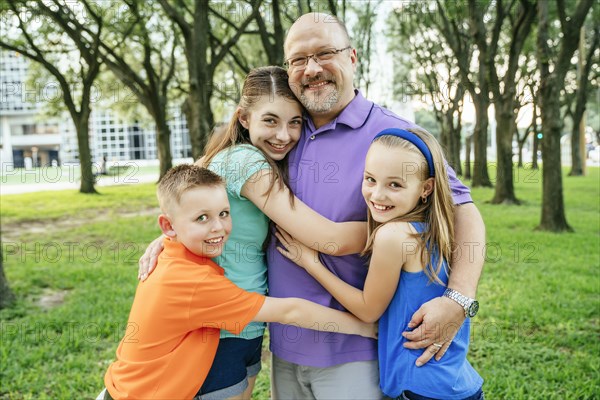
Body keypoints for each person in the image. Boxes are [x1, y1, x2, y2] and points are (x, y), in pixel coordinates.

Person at [264, 12, 486, 399]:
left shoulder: (393, 135)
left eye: (324, 53)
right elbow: (214, 186)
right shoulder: (281, 132)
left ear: (352, 58)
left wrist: (459, 298)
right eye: (299, 59)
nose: (312, 68)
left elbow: (463, 209)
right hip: (283, 346)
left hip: (356, 353)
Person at [138, 66, 367, 400]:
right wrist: (393, 229)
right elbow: (327, 239)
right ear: (244, 119)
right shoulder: (245, 162)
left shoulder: (247, 159)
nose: (284, 135)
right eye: (270, 120)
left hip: (245, 326)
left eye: (295, 122)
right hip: (220, 330)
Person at [99, 164, 375, 400]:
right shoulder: (194, 283)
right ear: (168, 226)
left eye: (224, 213)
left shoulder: (173, 254)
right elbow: (290, 311)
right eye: (202, 218)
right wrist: (363, 327)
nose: (218, 227)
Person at [276, 128, 484, 400]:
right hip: (456, 384)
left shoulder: (392, 236)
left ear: (426, 188)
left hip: (420, 388)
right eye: (370, 179)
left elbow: (367, 309)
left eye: (394, 185)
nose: (377, 195)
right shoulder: (438, 230)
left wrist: (311, 264)